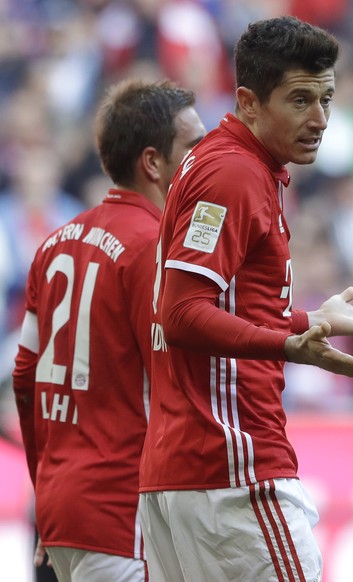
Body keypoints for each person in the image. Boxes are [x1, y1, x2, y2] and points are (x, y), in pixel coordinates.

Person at [138, 16, 353, 582]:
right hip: (233, 466)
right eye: (299, 100)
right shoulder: (234, 175)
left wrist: (310, 318)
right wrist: (290, 343)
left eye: (327, 98)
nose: (320, 120)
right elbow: (183, 312)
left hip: (185, 471)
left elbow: (220, 306)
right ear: (248, 101)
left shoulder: (226, 162)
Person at [11, 79, 207, 582]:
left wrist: (46, 495)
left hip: (60, 514)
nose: (205, 161)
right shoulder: (153, 249)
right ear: (153, 163)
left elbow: (25, 379)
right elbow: (176, 394)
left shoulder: (54, 243)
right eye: (194, 147)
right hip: (125, 519)